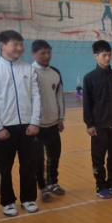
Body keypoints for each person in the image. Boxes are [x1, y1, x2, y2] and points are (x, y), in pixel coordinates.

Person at [0, 30, 42, 216]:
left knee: (29, 165)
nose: (19, 48)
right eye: (15, 44)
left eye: (21, 44)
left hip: (28, 127)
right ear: (2, 45)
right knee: (4, 167)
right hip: (4, 129)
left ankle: (28, 198)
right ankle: (7, 201)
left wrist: (35, 122)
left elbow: (37, 97)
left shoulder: (29, 70)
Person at [82, 40, 112, 199]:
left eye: (109, 55)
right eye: (104, 55)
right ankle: (100, 186)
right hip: (99, 126)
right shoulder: (89, 78)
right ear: (96, 56)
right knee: (98, 158)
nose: (107, 58)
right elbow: (87, 103)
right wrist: (89, 124)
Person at [31, 40, 66, 202]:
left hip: (52, 123)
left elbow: (59, 96)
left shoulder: (55, 73)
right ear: (34, 54)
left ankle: (53, 182)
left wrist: (60, 118)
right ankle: (42, 186)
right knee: (38, 158)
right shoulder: (29, 72)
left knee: (54, 155)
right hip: (36, 125)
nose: (47, 56)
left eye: (49, 52)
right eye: (42, 53)